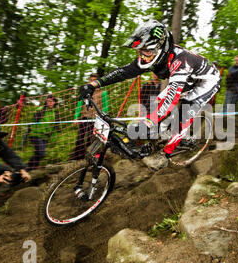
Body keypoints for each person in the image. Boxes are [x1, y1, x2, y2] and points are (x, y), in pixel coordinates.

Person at [79, 19, 221, 165]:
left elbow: (171, 98)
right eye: (140, 51)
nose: (142, 56)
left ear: (161, 48)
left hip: (207, 81)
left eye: (146, 51)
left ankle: (165, 154)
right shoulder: (153, 57)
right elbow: (124, 72)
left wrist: (147, 124)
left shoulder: (180, 62)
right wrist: (94, 84)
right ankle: (162, 133)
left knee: (185, 109)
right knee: (157, 103)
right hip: (189, 79)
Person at [70, 74, 110, 160]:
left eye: (94, 80)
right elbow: (79, 105)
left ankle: (88, 157)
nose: (92, 82)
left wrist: (104, 118)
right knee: (80, 138)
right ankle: (77, 157)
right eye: (90, 80)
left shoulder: (103, 93)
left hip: (96, 119)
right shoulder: (85, 91)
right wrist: (76, 117)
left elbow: (106, 106)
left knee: (91, 139)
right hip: (85, 117)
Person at [26, 95, 60, 171]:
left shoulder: (55, 113)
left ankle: (31, 169)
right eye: (47, 101)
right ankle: (27, 168)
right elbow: (32, 121)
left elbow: (55, 127)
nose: (49, 103)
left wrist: (53, 140)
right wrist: (28, 133)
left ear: (54, 102)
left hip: (46, 137)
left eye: (51, 101)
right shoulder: (40, 110)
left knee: (39, 154)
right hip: (36, 134)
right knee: (41, 153)